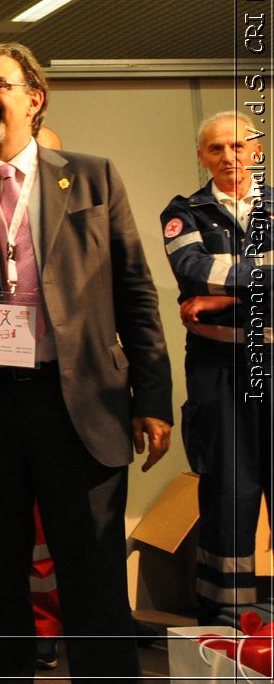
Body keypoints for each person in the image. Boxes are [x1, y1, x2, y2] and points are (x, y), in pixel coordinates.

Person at [0, 41, 172, 682]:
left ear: (34, 98)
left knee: (95, 581)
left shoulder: (94, 177)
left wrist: (153, 399)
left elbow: (134, 290)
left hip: (82, 405)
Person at [162, 111, 273, 625]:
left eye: (237, 147)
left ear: (256, 150)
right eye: (215, 149)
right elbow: (192, 270)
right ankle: (227, 613)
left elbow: (214, 281)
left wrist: (222, 301)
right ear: (201, 156)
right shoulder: (185, 211)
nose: (228, 158)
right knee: (230, 488)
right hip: (219, 369)